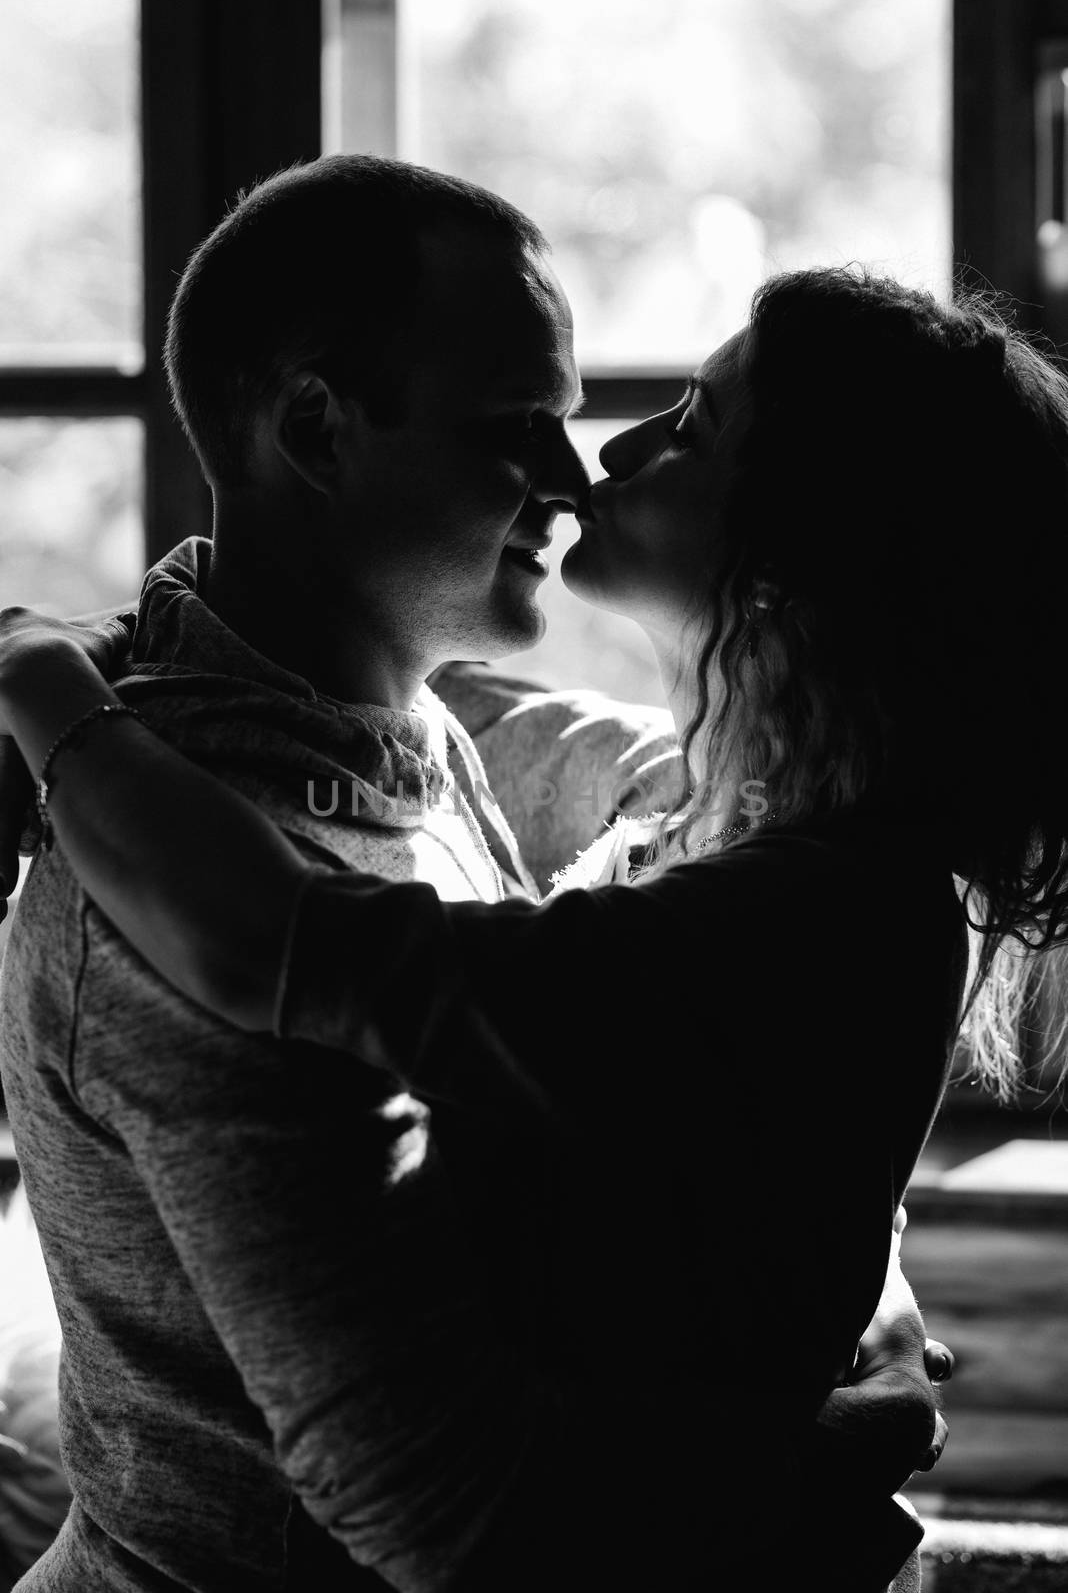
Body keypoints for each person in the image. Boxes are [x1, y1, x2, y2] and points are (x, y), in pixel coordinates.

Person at [4, 265, 1047, 1589]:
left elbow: (281, 939)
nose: (597, 455)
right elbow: (395, 707)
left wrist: (37, 683)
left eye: (691, 422)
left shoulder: (817, 900)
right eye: (516, 422)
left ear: (805, 550)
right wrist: (134, 649)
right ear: (319, 434)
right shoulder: (748, 798)